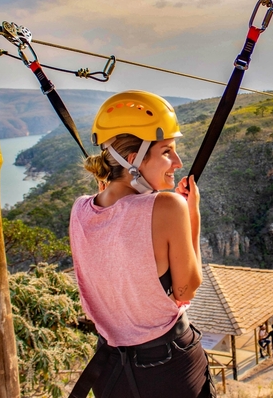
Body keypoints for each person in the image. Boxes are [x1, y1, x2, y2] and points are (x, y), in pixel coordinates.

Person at [68, 90, 215, 398]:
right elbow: (185, 290)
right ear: (133, 160)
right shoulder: (167, 206)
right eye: (166, 152)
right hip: (167, 367)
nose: (177, 162)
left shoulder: (81, 210)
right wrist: (192, 216)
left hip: (109, 372)